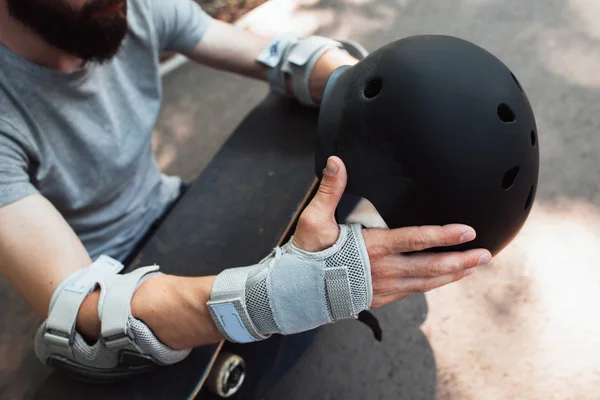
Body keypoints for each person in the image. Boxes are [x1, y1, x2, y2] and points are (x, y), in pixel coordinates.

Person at [0, 0, 493, 397]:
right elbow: (81, 308)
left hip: (182, 210)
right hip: (108, 272)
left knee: (341, 150)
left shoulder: (126, 8)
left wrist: (364, 90)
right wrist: (279, 296)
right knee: (107, 351)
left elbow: (280, 58)